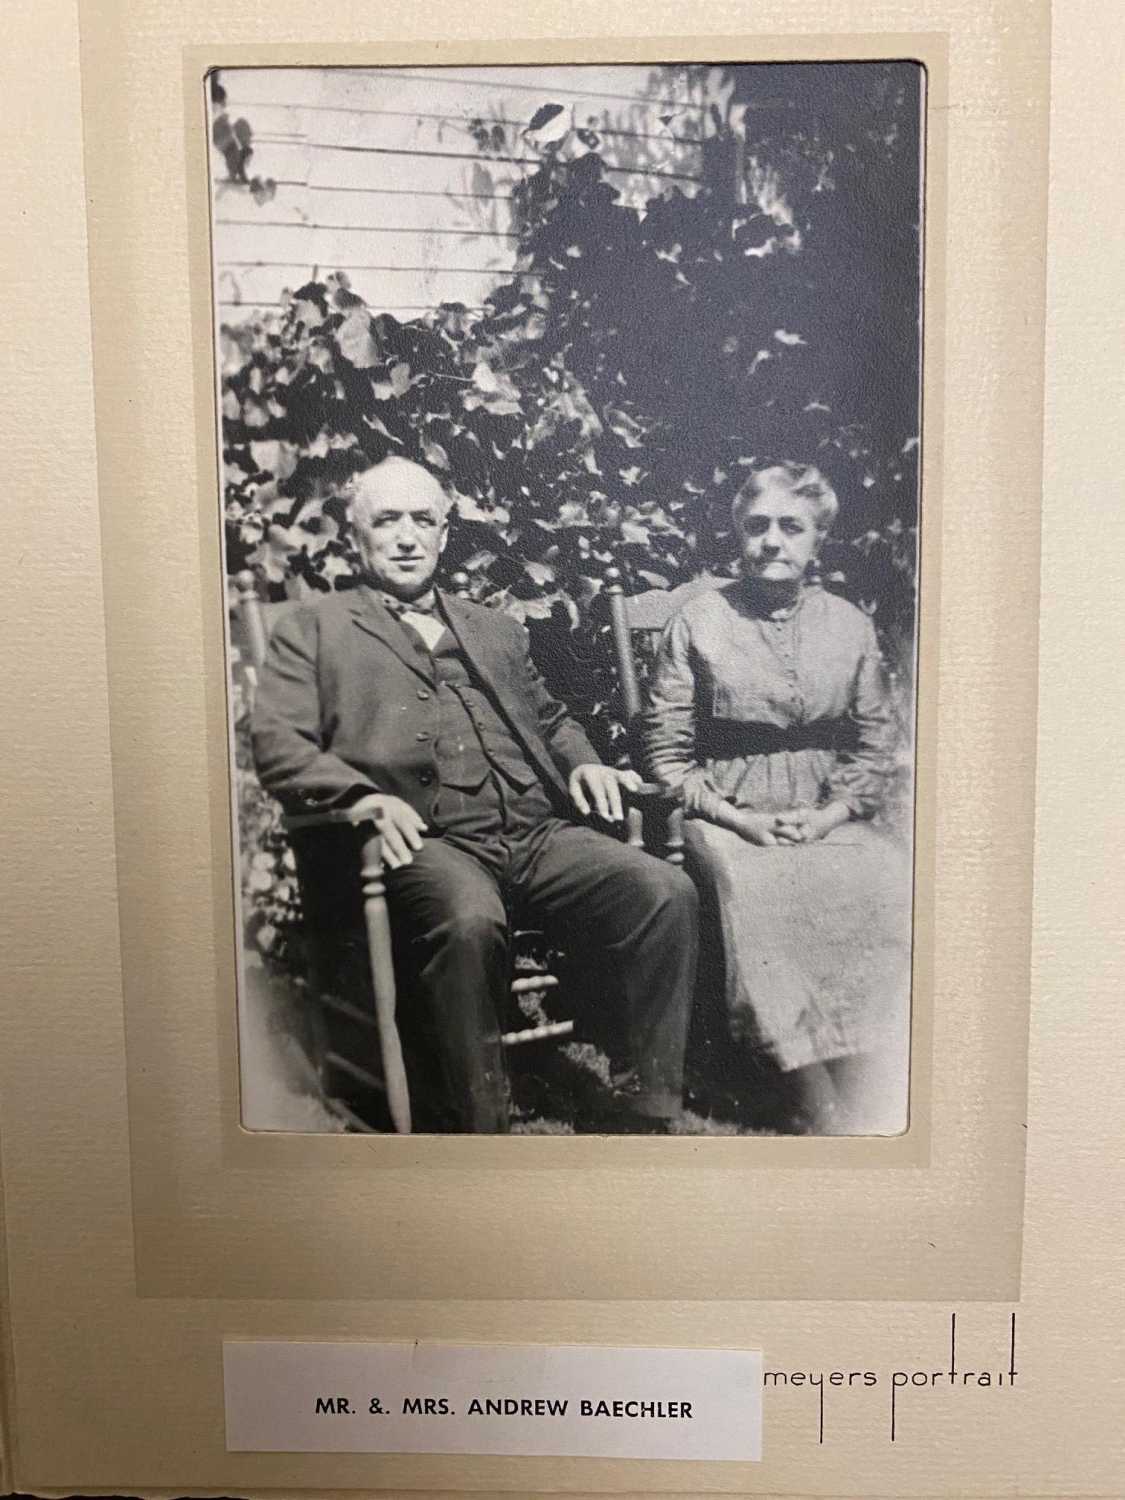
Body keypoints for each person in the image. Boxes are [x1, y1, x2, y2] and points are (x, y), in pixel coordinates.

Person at [251, 455, 697, 1133]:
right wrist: (358, 798)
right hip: (426, 839)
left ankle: (646, 1108)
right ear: (355, 533)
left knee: (663, 891)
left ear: (443, 534)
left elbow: (549, 718)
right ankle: (476, 1127)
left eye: (421, 520)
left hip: (536, 831)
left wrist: (586, 763)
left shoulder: (492, 627)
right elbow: (278, 744)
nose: (405, 536)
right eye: (387, 520)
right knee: (468, 920)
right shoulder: (313, 629)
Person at [642, 462, 912, 1134]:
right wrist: (742, 821)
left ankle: (869, 1067)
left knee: (884, 875)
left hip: (822, 804)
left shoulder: (849, 625)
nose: (771, 540)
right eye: (756, 526)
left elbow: (876, 742)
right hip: (727, 807)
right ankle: (807, 1089)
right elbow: (666, 757)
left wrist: (828, 814)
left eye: (790, 527)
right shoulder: (698, 621)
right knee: (758, 890)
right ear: (738, 532)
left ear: (816, 539)